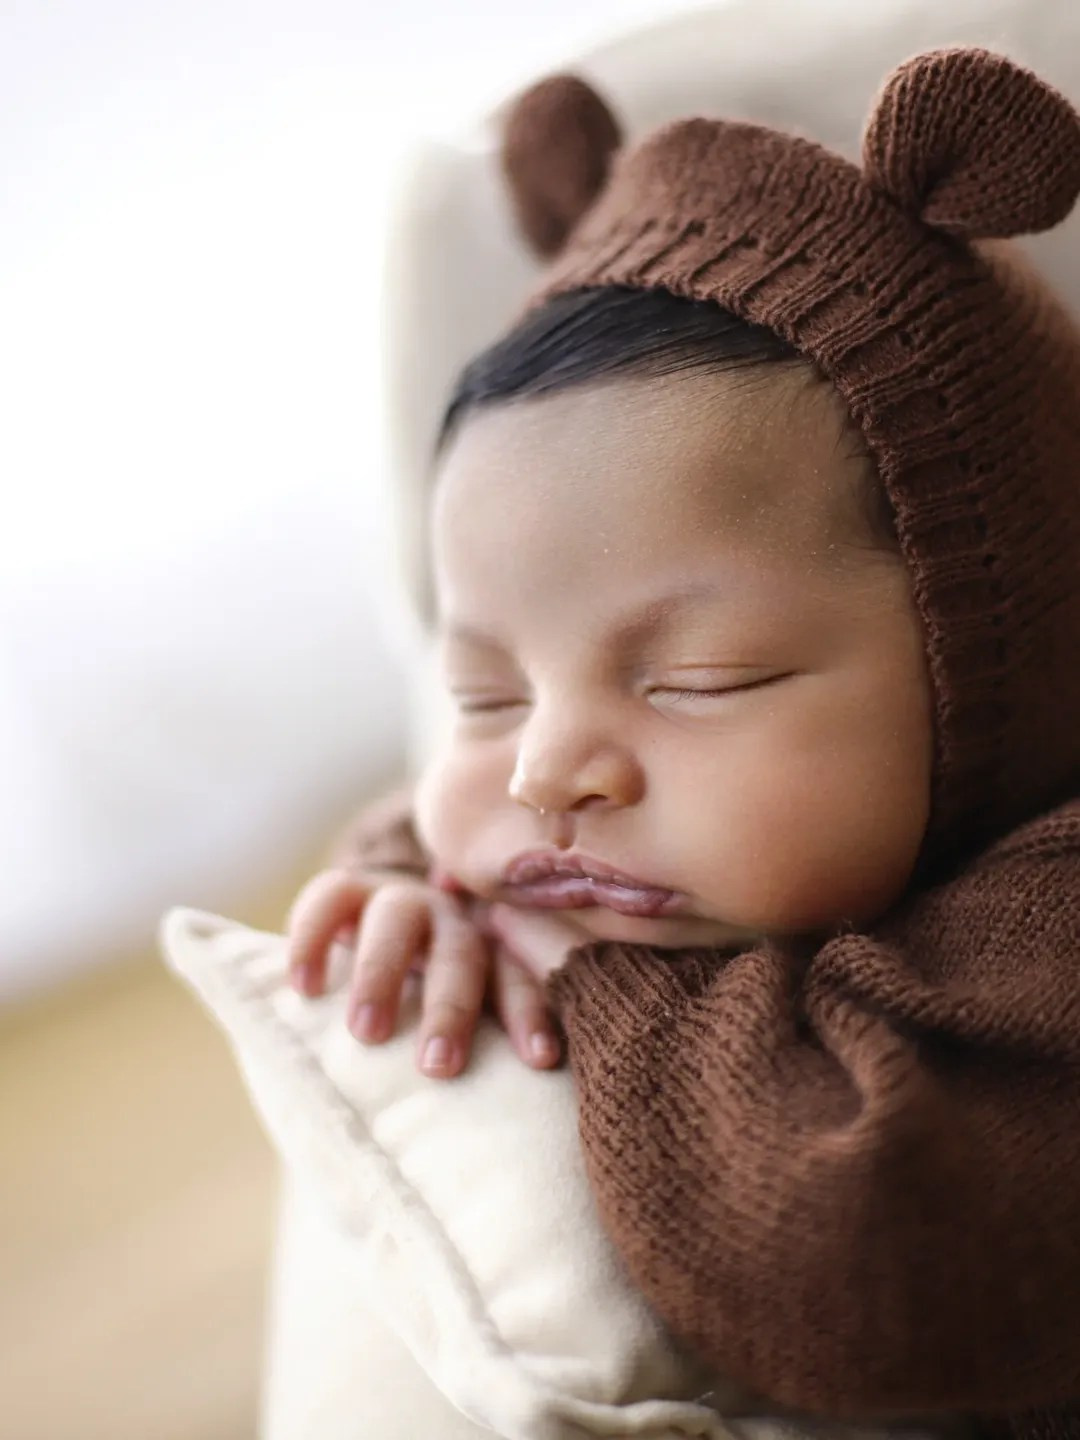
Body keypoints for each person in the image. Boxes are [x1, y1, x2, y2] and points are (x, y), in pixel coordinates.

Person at [286, 48, 1080, 1436]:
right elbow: (441, 817)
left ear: (995, 654)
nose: (542, 775)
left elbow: (860, 1264)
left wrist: (590, 969)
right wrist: (416, 889)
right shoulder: (601, 812)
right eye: (485, 694)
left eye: (699, 678)